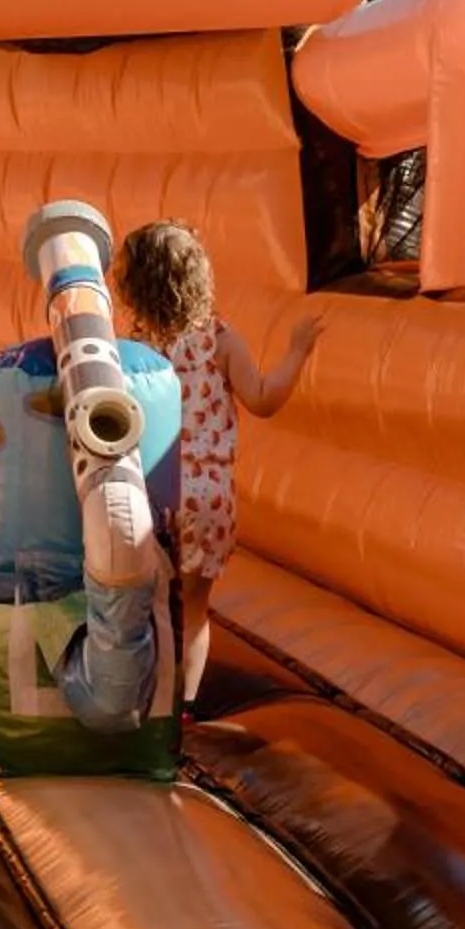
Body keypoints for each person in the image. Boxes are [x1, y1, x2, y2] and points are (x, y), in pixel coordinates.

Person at [110, 220, 324, 706]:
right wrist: (297, 351)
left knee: (146, 604)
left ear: (133, 288)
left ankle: (140, 696)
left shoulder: (134, 354)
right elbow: (264, 399)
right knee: (196, 611)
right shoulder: (221, 340)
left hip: (152, 495)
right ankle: (182, 708)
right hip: (208, 498)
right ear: (199, 279)